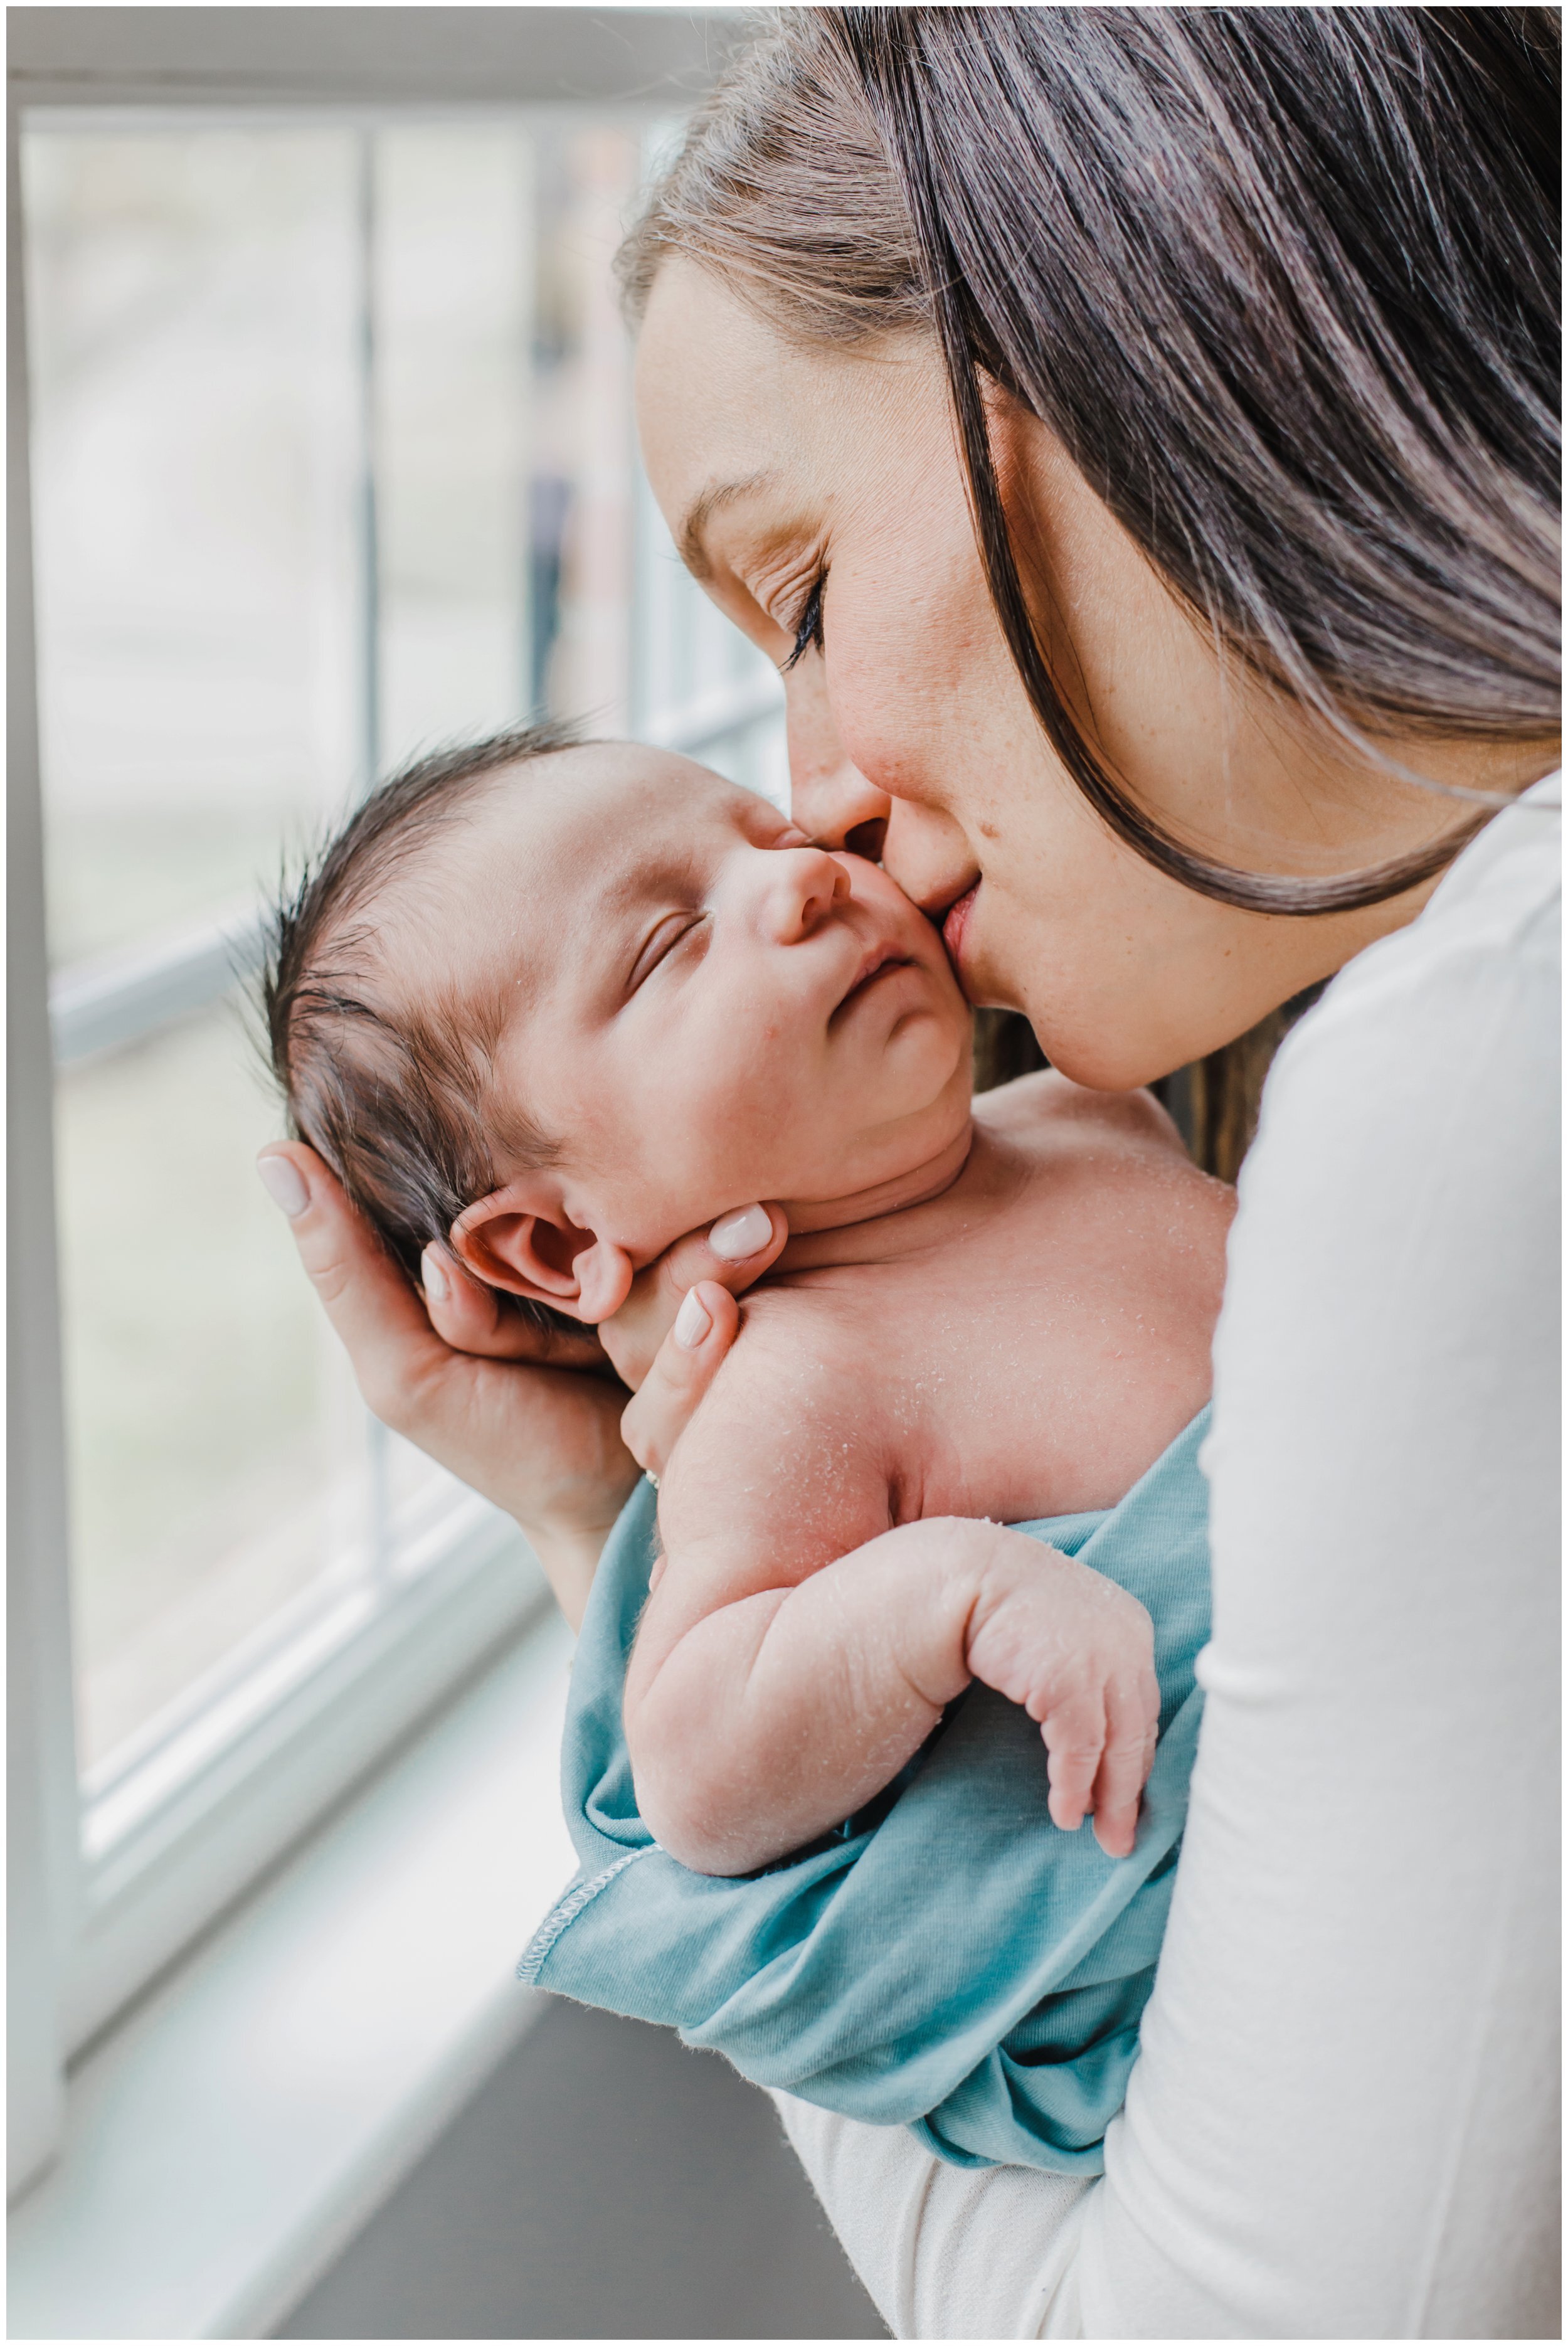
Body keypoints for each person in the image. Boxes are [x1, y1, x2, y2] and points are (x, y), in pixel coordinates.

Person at [256, 11, 1559, 2334]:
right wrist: (649, 1535)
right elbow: (731, 1738)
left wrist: (580, 1533)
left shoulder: (1456, 1094)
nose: (824, 801)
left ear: (1164, 317)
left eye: (806, 596)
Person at [262, 724, 1231, 2166]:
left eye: (769, 836)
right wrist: (942, 1596)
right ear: (552, 1239)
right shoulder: (795, 1386)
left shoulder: (1085, 1109)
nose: (799, 888)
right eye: (668, 947)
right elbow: (696, 1765)